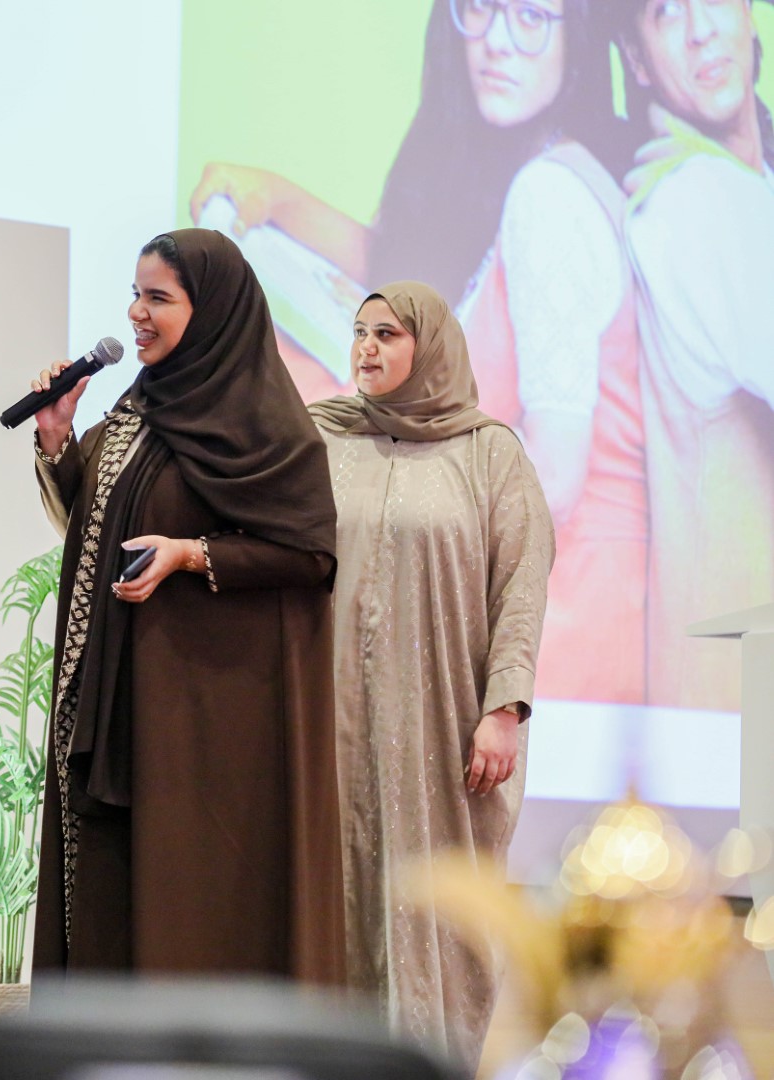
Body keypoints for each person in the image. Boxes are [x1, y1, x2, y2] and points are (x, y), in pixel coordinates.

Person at [193, 0, 642, 702]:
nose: (497, 41)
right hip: (523, 611)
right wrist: (278, 201)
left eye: (532, 16)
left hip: (552, 634)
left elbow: (553, 482)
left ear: (577, 38)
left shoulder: (550, 196)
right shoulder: (523, 165)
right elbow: (413, 271)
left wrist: (384, 496)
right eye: (480, 8)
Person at [28, 228, 344, 982]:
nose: (136, 313)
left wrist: (192, 554)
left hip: (204, 725)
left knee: (187, 908)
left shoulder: (270, 431)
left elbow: (309, 554)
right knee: (109, 901)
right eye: (135, 295)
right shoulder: (137, 412)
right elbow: (94, 521)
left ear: (213, 313)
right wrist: (57, 437)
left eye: (158, 298)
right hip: (119, 705)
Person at [310, 282, 554, 1074]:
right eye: (359, 331)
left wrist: (504, 708)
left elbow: (521, 584)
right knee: (336, 895)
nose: (366, 347)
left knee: (439, 910)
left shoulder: (488, 453)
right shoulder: (323, 438)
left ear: (431, 346)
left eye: (387, 333)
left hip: (443, 729)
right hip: (332, 720)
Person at [615, 0, 774, 713]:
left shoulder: (741, 185)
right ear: (638, 61)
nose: (700, 28)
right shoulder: (698, 198)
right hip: (739, 698)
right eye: (665, 13)